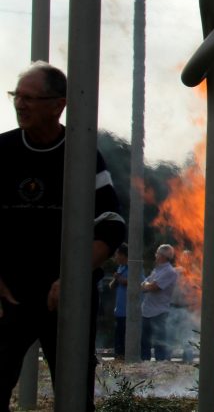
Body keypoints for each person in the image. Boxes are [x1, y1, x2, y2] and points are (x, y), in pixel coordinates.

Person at [0, 62, 125, 412]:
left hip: (68, 296)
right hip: (10, 295)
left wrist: (72, 277)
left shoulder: (82, 154)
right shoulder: (3, 150)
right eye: (16, 96)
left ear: (58, 105)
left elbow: (111, 224)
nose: (20, 104)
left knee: (74, 394)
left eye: (29, 98)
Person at [140, 244, 179, 361]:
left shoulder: (169, 272)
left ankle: (161, 364)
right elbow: (144, 285)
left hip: (159, 312)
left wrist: (147, 285)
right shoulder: (157, 270)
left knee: (159, 342)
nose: (155, 256)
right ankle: (144, 364)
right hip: (147, 311)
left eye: (157, 253)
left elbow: (154, 287)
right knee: (144, 342)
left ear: (163, 256)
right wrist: (147, 285)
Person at [109, 244, 130, 360]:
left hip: (128, 311)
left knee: (124, 338)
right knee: (118, 337)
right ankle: (118, 358)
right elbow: (111, 286)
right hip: (119, 310)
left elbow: (134, 282)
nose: (115, 257)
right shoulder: (120, 268)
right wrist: (116, 279)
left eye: (117, 254)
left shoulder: (133, 267)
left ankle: (124, 359)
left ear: (123, 255)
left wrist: (119, 278)